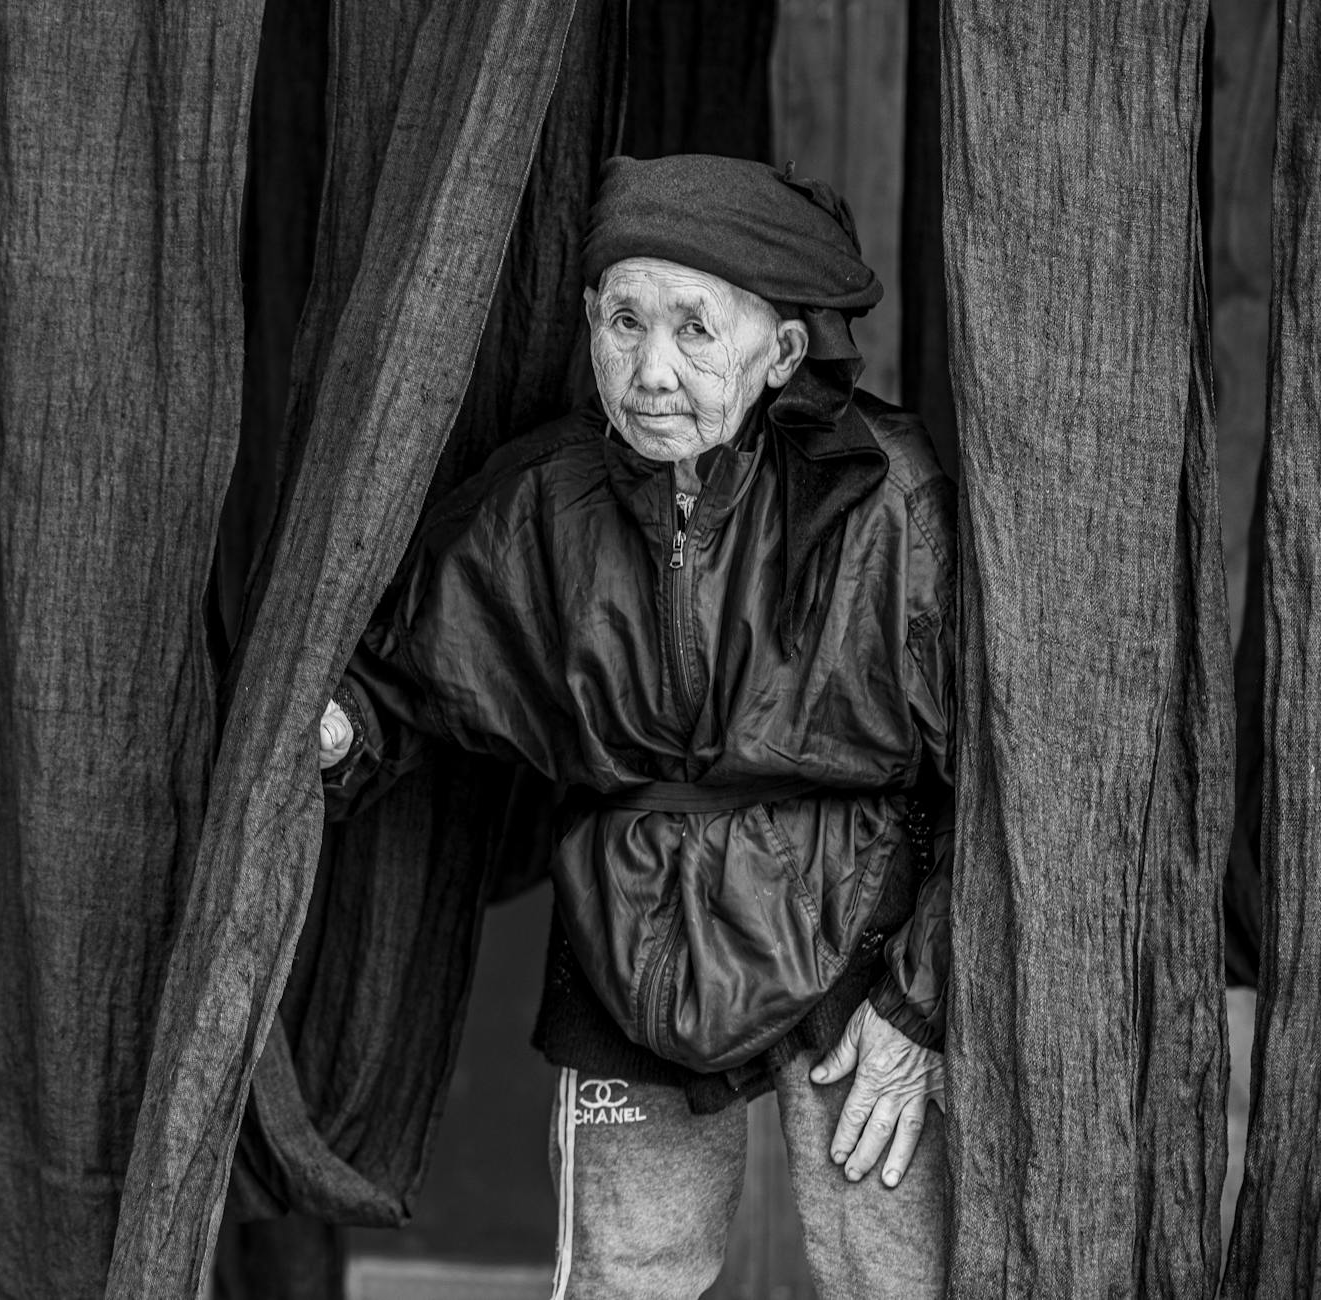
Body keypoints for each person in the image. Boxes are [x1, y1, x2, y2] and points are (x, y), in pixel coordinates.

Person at [316, 154, 954, 1299]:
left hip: (857, 925)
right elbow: (405, 669)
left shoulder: (890, 501)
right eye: (624, 321)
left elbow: (1007, 782)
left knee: (893, 1277)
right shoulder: (542, 505)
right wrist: (331, 727)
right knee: (626, 1278)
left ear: (784, 355)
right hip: (632, 928)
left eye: (696, 330)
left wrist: (920, 998)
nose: (651, 371)